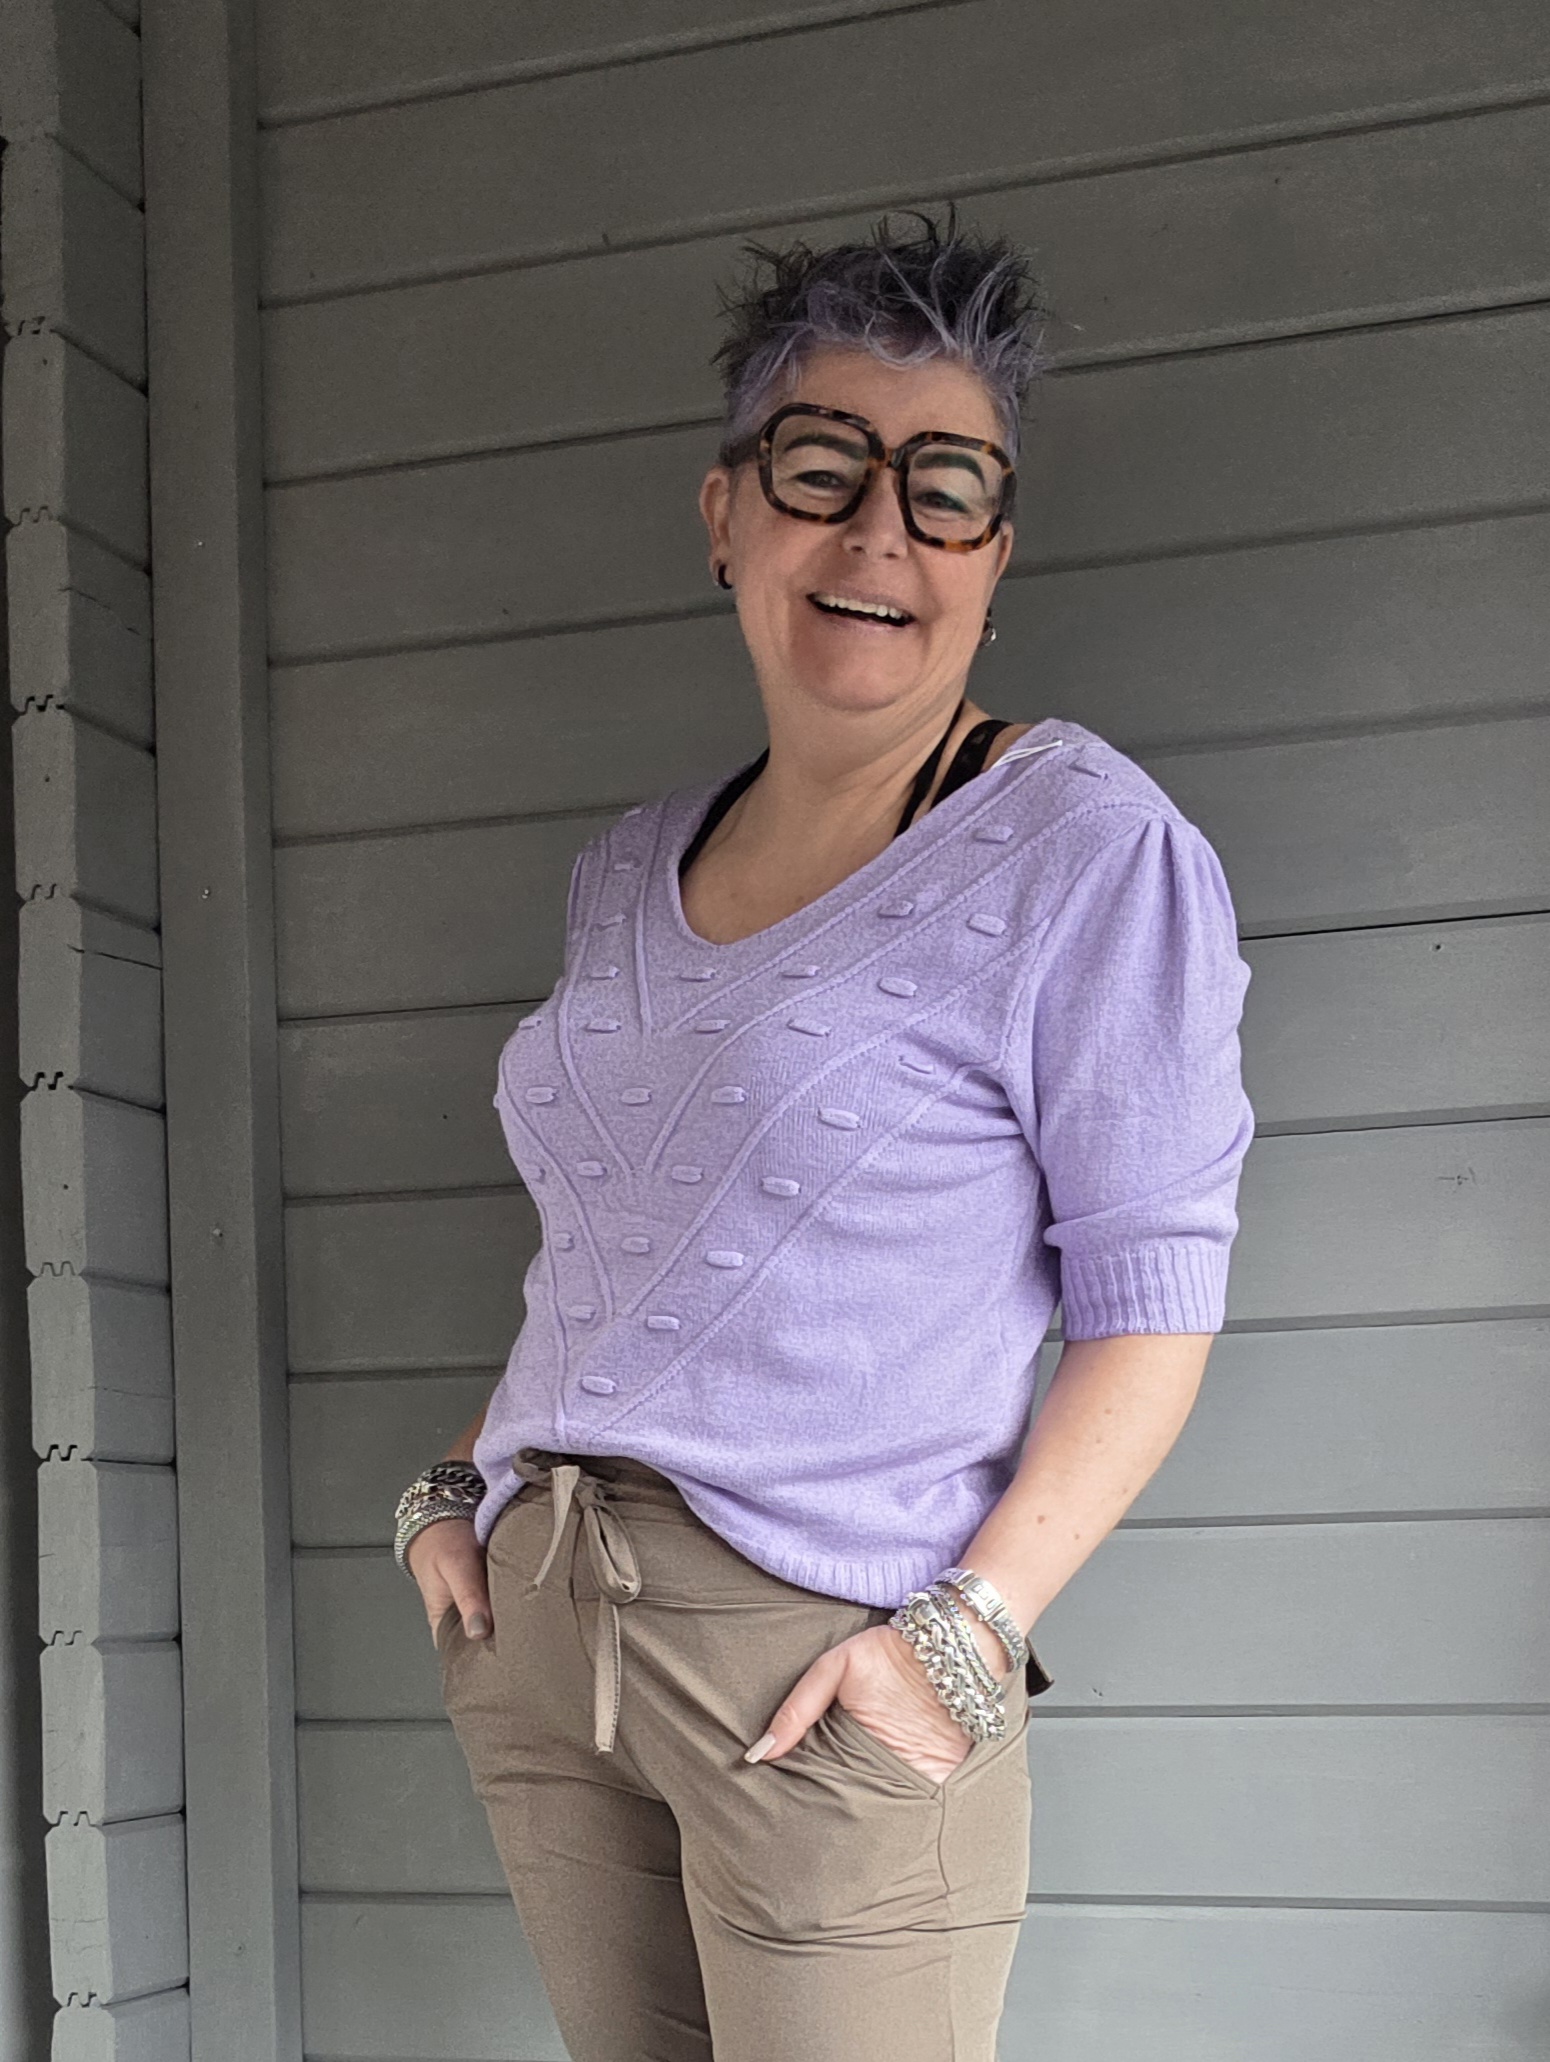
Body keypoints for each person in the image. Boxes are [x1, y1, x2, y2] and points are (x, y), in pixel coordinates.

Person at [393, 211, 1256, 2062]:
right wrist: (456, 1485)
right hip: (547, 1628)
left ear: (992, 556)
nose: (878, 532)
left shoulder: (1083, 849)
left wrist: (965, 1630)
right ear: (725, 515)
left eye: (944, 489)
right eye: (820, 468)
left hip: (820, 1666)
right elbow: (618, 1240)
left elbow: (1151, 1308)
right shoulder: (627, 866)